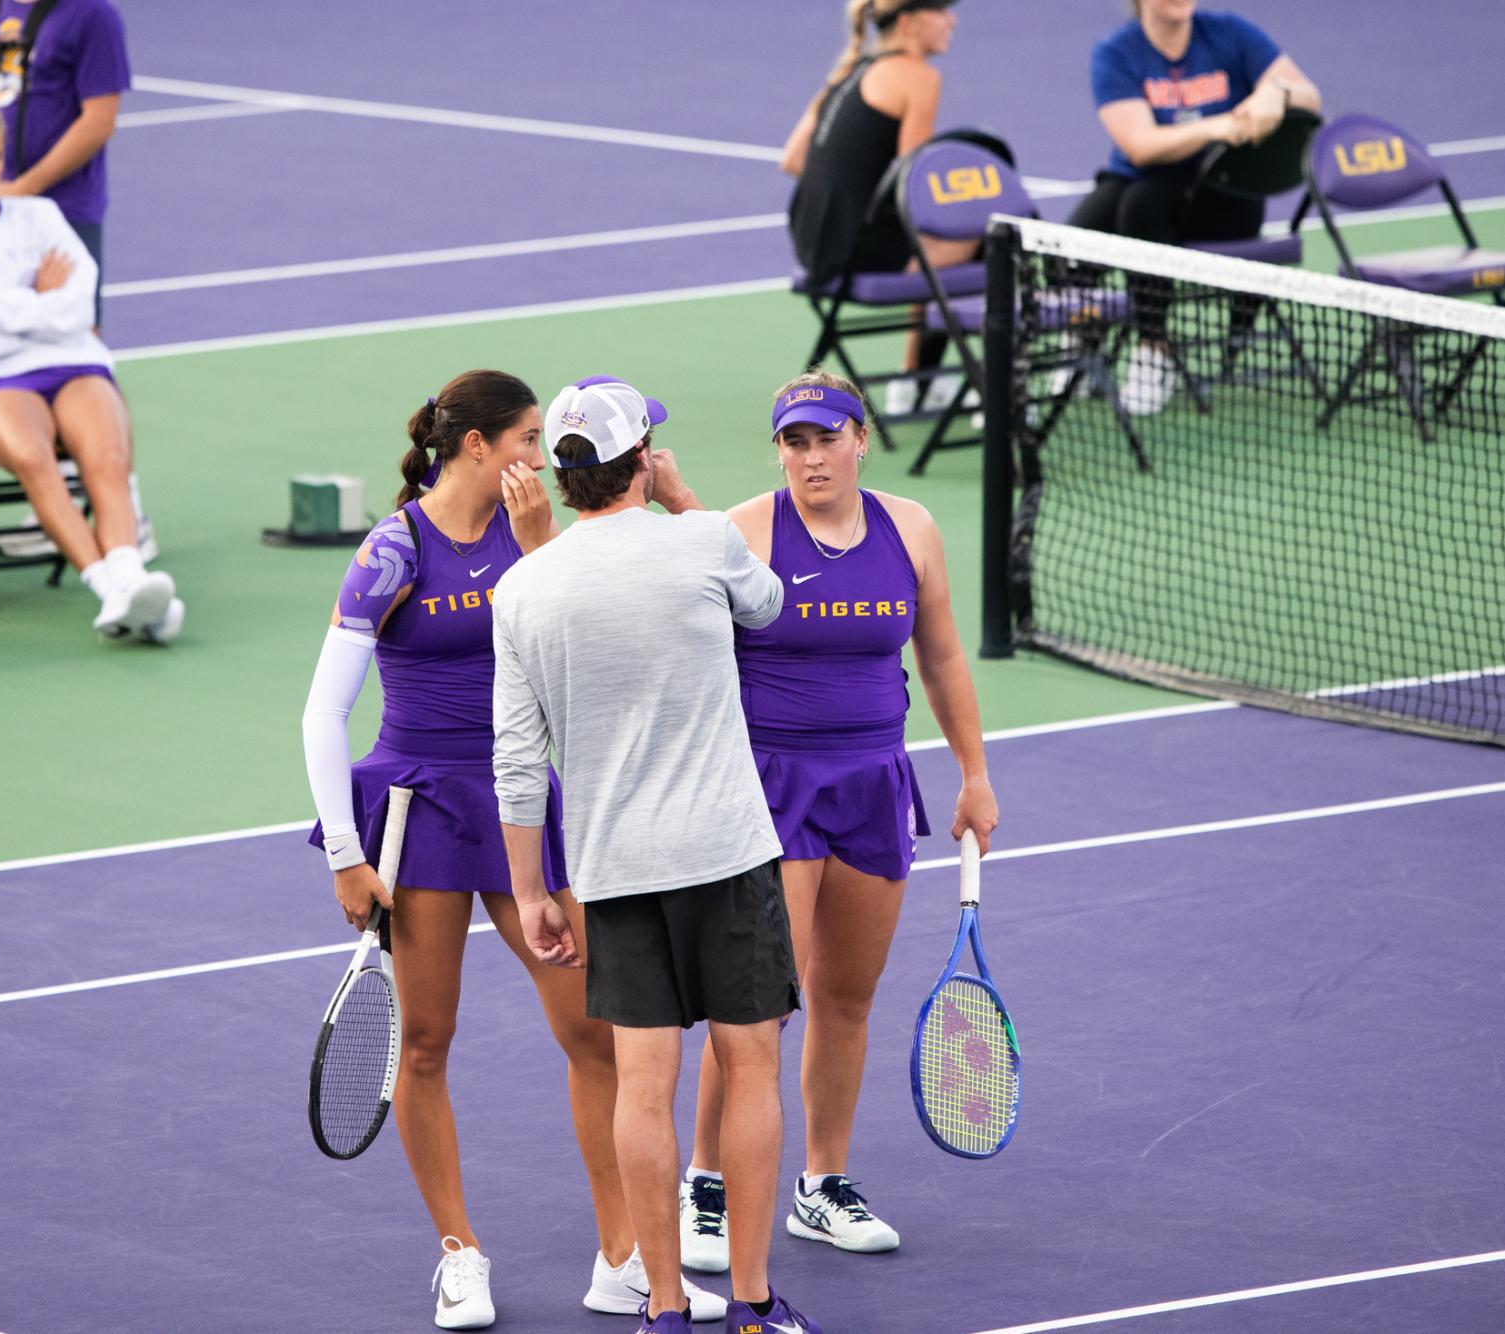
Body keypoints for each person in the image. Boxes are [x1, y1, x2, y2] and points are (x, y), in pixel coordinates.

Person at [301, 370, 725, 1330]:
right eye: (528, 438)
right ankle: (459, 1252)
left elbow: (576, 649)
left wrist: (538, 553)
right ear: (476, 446)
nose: (542, 457)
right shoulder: (391, 548)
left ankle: (621, 1258)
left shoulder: (532, 531)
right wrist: (341, 852)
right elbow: (323, 712)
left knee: (593, 1033)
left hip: (520, 804)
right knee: (425, 1039)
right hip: (417, 813)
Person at [492, 378, 817, 1334]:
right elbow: (766, 609)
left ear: (562, 475)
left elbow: (516, 762)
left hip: (613, 873)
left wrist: (530, 891)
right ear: (641, 461)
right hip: (726, 855)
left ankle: (666, 1308)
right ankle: (752, 1305)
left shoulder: (521, 586)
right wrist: (687, 503)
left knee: (643, 1089)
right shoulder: (705, 539)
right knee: (750, 1067)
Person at [669, 370, 999, 1272]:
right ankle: (705, 1183)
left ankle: (821, 1185)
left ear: (861, 438)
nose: (809, 457)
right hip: (769, 789)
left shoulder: (912, 530)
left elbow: (938, 657)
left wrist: (972, 772)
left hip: (872, 783)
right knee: (755, 1007)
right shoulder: (745, 529)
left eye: (825, 437)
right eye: (792, 442)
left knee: (844, 999)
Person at [0, 100, 179, 644]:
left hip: (70, 362)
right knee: (33, 457)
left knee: (108, 459)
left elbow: (80, 309)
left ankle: (130, 581)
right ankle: (112, 592)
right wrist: (36, 301)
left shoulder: (41, 216)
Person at [1068, 0, 1322, 413]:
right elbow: (1141, 147)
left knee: (1141, 207)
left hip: (1226, 195)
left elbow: (1310, 96)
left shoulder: (1230, 33)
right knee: (1068, 247)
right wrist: (1219, 126)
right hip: (1146, 180)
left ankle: (1153, 350)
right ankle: (1081, 344)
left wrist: (1277, 91)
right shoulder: (1116, 52)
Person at [0, 0, 156, 560]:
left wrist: (24, 186)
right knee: (24, 349)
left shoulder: (91, 13)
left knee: (80, 348)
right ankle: (52, 501)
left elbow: (98, 119)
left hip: (66, 210)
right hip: (2, 207)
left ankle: (128, 508)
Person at [785, 0, 973, 417]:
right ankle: (928, 381)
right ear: (908, 21)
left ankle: (918, 381)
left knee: (937, 240)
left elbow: (793, 160)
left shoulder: (848, 70)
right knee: (986, 242)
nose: (952, 19)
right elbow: (917, 187)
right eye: (941, 10)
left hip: (811, 242)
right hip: (855, 252)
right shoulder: (920, 77)